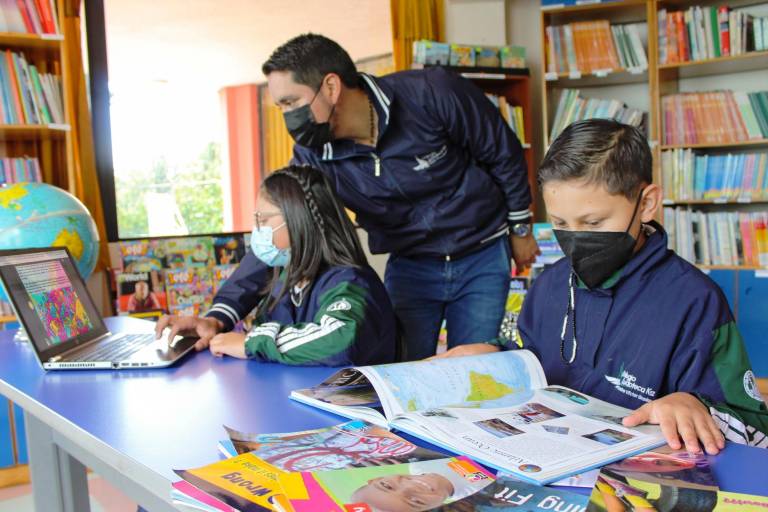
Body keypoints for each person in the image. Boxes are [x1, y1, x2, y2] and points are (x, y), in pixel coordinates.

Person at [435, 119, 768, 454]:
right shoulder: (549, 283)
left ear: (647, 204)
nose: (575, 238)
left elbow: (753, 426)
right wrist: (494, 354)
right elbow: (532, 356)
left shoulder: (696, 301)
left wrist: (692, 405)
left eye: (593, 223)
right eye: (560, 224)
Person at [257, 33, 539, 360]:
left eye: (291, 103)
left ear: (331, 87)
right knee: (402, 371)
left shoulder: (433, 92)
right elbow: (282, 226)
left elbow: (502, 152)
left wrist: (521, 229)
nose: (287, 117)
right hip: (410, 266)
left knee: (473, 371)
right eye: (281, 107)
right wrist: (222, 312)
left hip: (483, 254)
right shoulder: (311, 155)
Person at [155, 164, 396, 366]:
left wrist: (251, 342)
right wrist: (213, 323)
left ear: (299, 222)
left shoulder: (350, 282)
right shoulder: (288, 276)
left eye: (263, 219)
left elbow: (342, 338)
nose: (257, 229)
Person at [350, 473, 455, 512]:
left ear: (377, 479)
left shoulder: (417, 463)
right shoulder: (469, 492)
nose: (410, 487)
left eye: (387, 486)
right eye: (416, 501)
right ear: (439, 506)